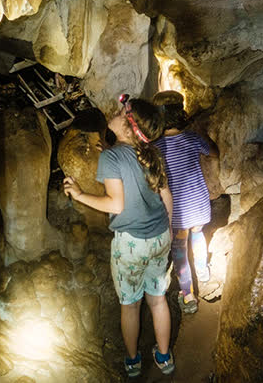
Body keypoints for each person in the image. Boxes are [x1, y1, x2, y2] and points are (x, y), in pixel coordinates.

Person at [63, 95, 176, 377]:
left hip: (131, 245)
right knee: (158, 300)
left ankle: (133, 361)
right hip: (160, 235)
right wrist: (169, 232)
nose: (113, 112)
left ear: (128, 126)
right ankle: (164, 358)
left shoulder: (111, 157)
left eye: (121, 111)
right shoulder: (151, 153)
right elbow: (167, 197)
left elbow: (115, 205)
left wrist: (79, 194)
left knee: (130, 305)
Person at [151, 91, 219, 315]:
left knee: (180, 247)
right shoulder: (192, 138)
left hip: (177, 208)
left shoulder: (157, 147)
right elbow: (214, 153)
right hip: (197, 201)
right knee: (198, 234)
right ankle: (204, 272)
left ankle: (188, 295)